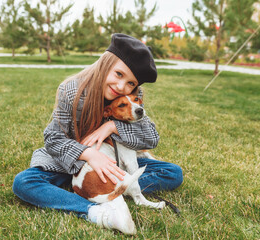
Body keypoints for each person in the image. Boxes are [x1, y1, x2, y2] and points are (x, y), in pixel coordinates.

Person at [13, 33, 183, 233]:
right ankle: (96, 211)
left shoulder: (131, 97)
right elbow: (53, 138)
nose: (121, 87)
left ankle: (105, 188)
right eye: (119, 74)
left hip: (115, 164)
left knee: (173, 173)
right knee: (24, 182)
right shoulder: (71, 90)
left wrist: (112, 127)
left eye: (131, 83)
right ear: (105, 64)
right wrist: (89, 154)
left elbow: (151, 137)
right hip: (68, 165)